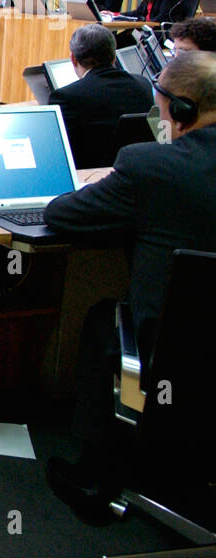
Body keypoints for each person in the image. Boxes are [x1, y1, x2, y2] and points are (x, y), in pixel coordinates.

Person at [43, 51, 216, 521]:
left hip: (182, 362)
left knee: (105, 318)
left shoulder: (150, 167)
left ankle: (95, 478)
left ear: (181, 110)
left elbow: (61, 215)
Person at [49, 23, 153, 167]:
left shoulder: (66, 97)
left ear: (73, 59)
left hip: (88, 178)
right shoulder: (143, 84)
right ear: (114, 57)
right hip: (136, 171)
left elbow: (57, 151)